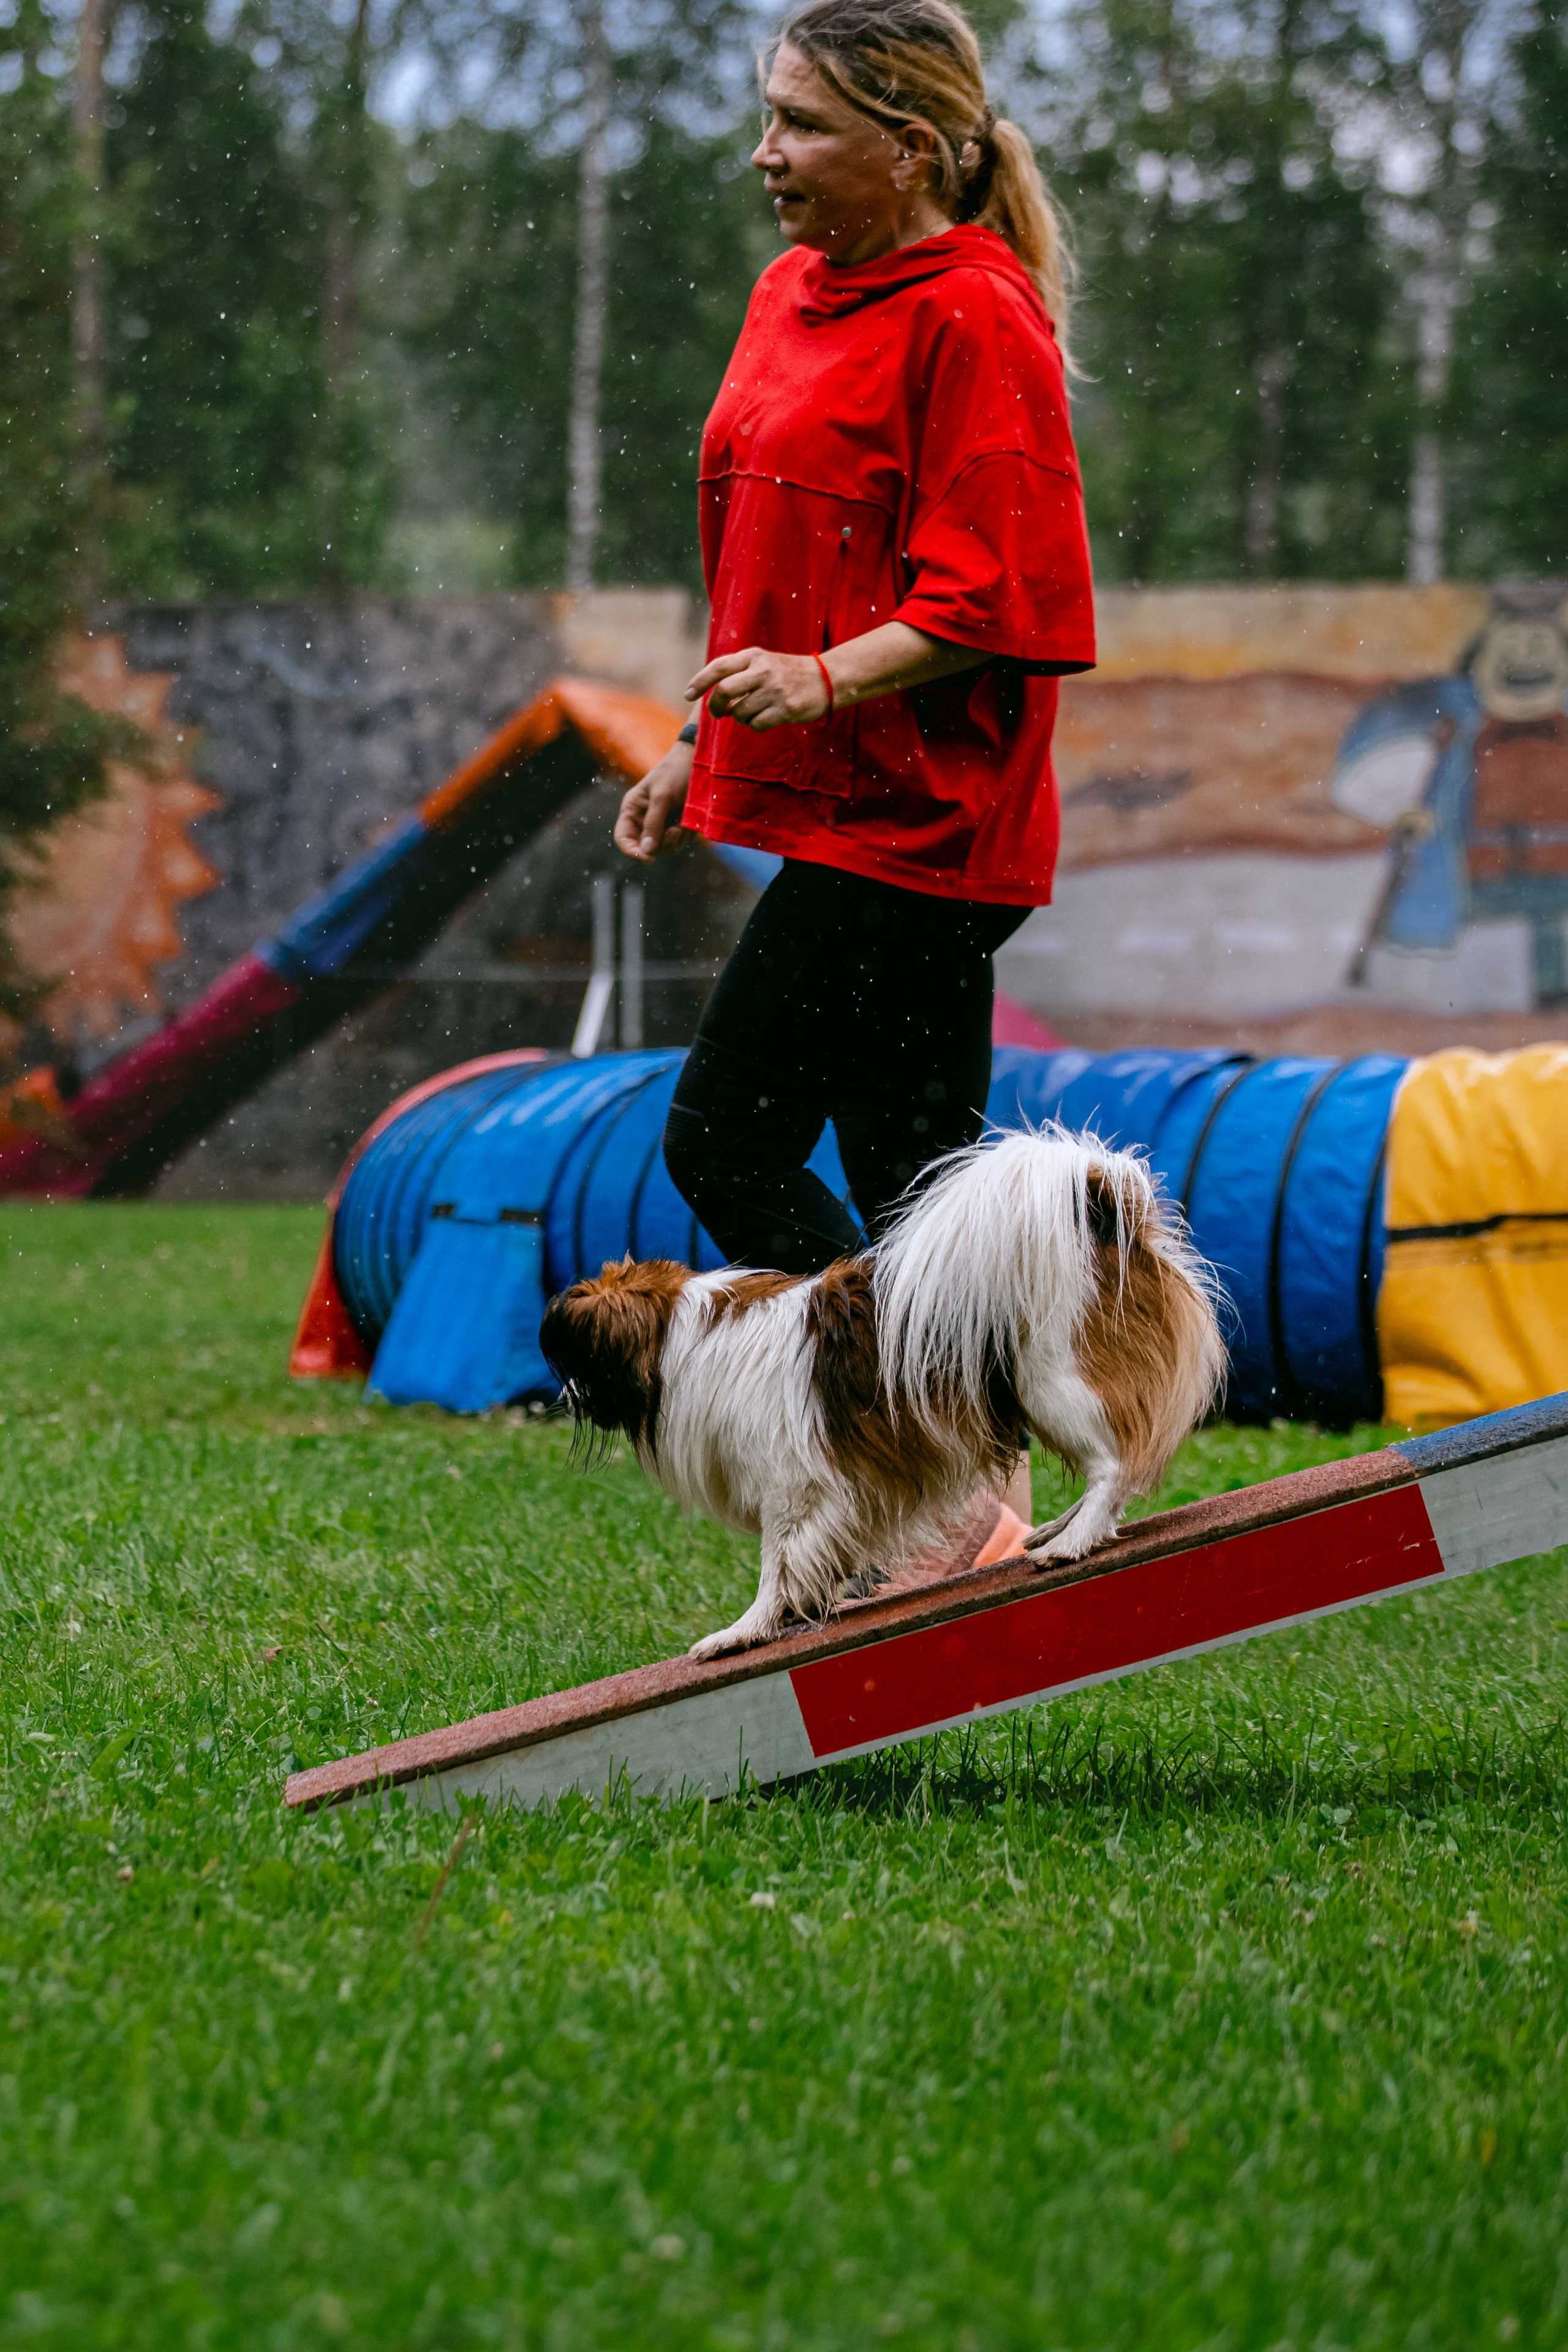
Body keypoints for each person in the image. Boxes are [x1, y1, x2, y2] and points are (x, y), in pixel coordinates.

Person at [614, 0, 1095, 1555]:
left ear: (912, 146)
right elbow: (764, 537)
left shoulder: (976, 314)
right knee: (915, 1189)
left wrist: (820, 683)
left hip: (923, 822)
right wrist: (706, 738)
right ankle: (976, 1496)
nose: (767, 154)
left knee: (725, 1140)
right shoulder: (786, 293)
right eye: (768, 117)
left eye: (803, 126)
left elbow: (999, 595)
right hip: (833, 806)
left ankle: (929, 1478)